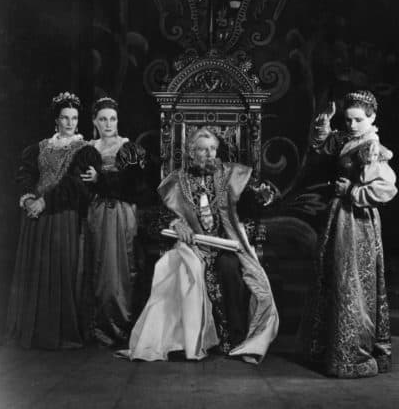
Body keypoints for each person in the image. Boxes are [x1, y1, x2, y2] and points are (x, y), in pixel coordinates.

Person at [119, 127, 279, 363]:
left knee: (229, 268)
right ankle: (193, 340)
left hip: (226, 245)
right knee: (182, 268)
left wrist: (262, 197)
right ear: (191, 153)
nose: (209, 154)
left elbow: (252, 205)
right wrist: (175, 223)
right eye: (203, 150)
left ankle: (235, 340)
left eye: (213, 149)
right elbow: (156, 216)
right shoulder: (176, 181)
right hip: (192, 247)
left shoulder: (231, 175)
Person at [302, 90, 397, 378]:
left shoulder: (371, 146)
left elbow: (386, 188)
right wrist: (324, 124)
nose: (352, 125)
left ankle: (354, 355)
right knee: (337, 277)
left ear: (372, 118)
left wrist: (353, 192)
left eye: (357, 119)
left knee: (352, 280)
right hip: (340, 217)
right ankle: (332, 349)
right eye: (348, 119)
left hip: (357, 220)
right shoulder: (351, 139)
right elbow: (324, 145)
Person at [7, 92, 101, 349]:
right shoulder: (38, 148)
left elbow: (75, 185)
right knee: (35, 271)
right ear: (56, 121)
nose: (70, 123)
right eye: (65, 118)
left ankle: (57, 333)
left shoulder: (85, 151)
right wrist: (28, 199)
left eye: (74, 118)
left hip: (62, 215)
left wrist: (45, 202)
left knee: (59, 270)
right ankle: (34, 332)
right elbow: (25, 174)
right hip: (35, 215)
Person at [81, 97, 147, 346]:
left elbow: (135, 186)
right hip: (94, 212)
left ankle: (120, 327)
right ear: (95, 122)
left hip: (121, 212)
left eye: (112, 119)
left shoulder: (129, 147)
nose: (108, 123)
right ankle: (97, 327)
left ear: (117, 121)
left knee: (119, 267)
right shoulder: (87, 148)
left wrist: (101, 179)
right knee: (96, 265)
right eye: (103, 119)